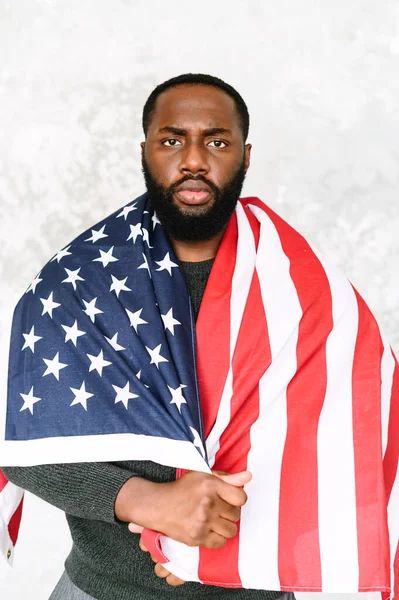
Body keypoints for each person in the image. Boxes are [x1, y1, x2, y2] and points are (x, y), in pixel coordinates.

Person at [2, 74, 296, 600]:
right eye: (171, 139)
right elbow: (28, 444)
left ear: (246, 156)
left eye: (217, 141)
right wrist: (146, 503)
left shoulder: (299, 287)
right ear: (145, 150)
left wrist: (219, 553)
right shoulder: (75, 286)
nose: (194, 159)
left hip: (256, 587)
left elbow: (340, 441)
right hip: (103, 590)